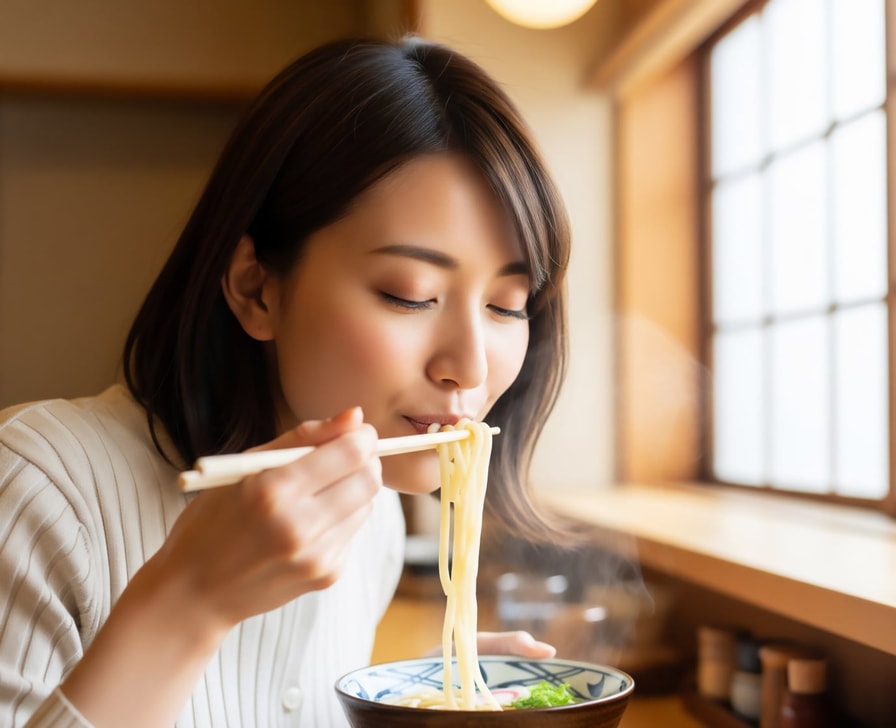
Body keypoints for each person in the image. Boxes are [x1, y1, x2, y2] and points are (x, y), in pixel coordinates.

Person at [0, 34, 570, 727]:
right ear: (256, 289)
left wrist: (421, 697)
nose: (472, 366)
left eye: (507, 306)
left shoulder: (372, 518)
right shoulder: (39, 489)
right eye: (409, 293)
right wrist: (189, 599)